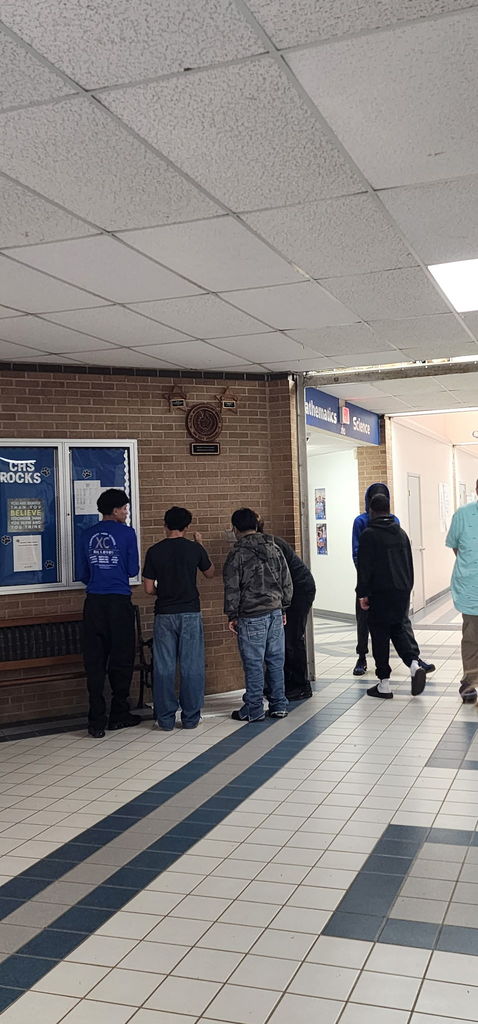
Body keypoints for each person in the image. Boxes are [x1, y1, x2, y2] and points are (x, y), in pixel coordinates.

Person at [352, 481, 434, 678]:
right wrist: (365, 588)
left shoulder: (394, 523)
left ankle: (408, 663)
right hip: (379, 584)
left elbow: (401, 556)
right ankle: (362, 657)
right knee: (367, 623)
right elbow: (358, 555)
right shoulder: (361, 522)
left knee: (395, 625)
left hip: (387, 585)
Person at [143, 507, 214, 730]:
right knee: (191, 665)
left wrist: (161, 591)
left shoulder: (154, 551)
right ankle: (191, 717)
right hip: (190, 613)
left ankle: (164, 719)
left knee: (164, 666)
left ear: (165, 525)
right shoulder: (194, 549)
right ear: (187, 527)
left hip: (164, 613)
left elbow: (147, 588)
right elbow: (210, 573)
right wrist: (200, 544)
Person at [78, 488, 140, 739]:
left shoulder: (86, 534)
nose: (126, 512)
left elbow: (83, 573)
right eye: (124, 508)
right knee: (121, 658)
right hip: (118, 601)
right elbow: (133, 568)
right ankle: (119, 713)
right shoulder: (126, 533)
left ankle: (96, 720)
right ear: (115, 511)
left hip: (93, 603)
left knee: (94, 661)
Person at [224, 507, 292, 722]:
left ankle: (253, 709)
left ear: (235, 528)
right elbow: (286, 581)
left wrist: (232, 614)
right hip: (274, 611)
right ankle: (279, 704)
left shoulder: (237, 554)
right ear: (256, 524)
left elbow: (232, 587)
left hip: (251, 614)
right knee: (275, 660)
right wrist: (283, 607)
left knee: (253, 663)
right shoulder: (274, 548)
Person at [256, 515, 316, 700]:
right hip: (290, 591)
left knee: (292, 638)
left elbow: (281, 579)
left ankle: (300, 685)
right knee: (283, 639)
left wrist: (282, 607)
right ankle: (284, 683)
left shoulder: (271, 545)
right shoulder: (262, 544)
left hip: (299, 591)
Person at [446, 482, 478, 704]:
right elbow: (456, 546)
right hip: (471, 589)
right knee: (472, 637)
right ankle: (470, 681)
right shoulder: (463, 514)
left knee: (472, 637)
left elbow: (456, 548)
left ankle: (470, 681)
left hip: (470, 586)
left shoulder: (462, 513)